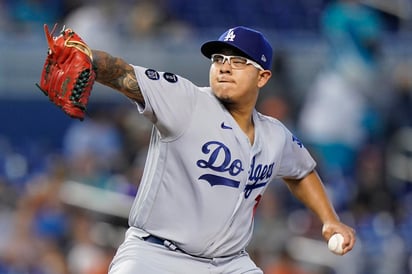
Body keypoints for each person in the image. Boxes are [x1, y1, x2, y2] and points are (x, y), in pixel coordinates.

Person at [89, 26, 356, 273]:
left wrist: (329, 219)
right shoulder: (186, 100)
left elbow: (301, 172)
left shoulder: (275, 135)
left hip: (229, 264)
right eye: (219, 59)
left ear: (262, 77)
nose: (225, 67)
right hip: (157, 255)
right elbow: (123, 73)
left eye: (239, 61)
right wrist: (88, 59)